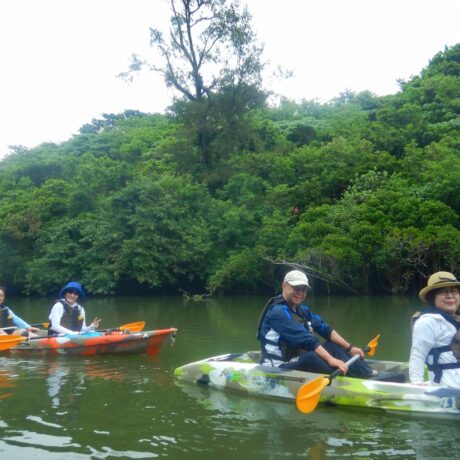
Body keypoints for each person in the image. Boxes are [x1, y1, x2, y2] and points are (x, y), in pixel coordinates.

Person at [257, 270, 374, 378]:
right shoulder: (277, 312)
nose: (300, 293)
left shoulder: (301, 310)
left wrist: (349, 348)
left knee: (334, 346)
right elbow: (306, 339)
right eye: (296, 288)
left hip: (296, 359)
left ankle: (369, 374)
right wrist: (330, 359)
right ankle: (352, 377)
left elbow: (325, 329)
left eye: (303, 289)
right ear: (284, 285)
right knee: (311, 357)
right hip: (276, 368)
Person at [409, 271, 460, 387]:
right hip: (446, 388)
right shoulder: (427, 322)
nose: (450, 296)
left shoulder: (457, 320)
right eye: (443, 292)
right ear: (432, 297)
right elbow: (418, 355)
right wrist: (417, 383)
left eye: (454, 291)